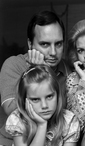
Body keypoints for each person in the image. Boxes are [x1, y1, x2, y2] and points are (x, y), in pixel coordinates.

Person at [0, 10, 71, 145]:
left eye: (58, 44)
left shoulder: (70, 71)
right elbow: (10, 110)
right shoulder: (14, 64)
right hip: (13, 140)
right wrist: (35, 71)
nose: (53, 52)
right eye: (45, 44)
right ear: (30, 44)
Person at [5, 64, 80, 146]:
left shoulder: (69, 121)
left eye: (49, 96)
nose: (44, 106)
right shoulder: (18, 121)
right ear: (24, 101)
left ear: (58, 95)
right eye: (35, 99)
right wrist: (42, 125)